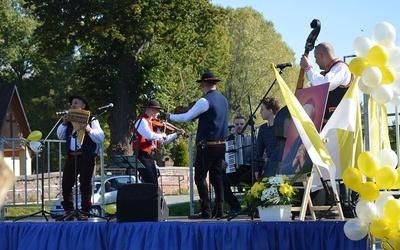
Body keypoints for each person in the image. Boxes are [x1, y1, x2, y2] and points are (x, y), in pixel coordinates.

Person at [165, 71, 228, 219]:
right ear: (216, 84)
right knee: (216, 178)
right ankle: (220, 210)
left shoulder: (204, 101)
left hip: (207, 145)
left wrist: (170, 116)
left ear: (203, 85)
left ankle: (206, 211)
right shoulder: (224, 100)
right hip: (221, 144)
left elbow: (186, 117)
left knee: (200, 177)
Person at [57, 95, 105, 221]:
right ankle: (69, 210)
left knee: (85, 184)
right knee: (66, 184)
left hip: (86, 156)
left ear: (83, 106)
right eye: (72, 103)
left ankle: (84, 211)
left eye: (76, 103)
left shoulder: (91, 118)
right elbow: (60, 136)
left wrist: (89, 130)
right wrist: (64, 123)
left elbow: (100, 137)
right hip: (72, 156)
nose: (72, 105)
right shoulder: (68, 122)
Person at [132, 99, 184, 186]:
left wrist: (176, 134)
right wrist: (161, 135)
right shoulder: (141, 121)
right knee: (150, 182)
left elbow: (163, 140)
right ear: (152, 109)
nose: (158, 113)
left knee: (154, 182)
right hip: (142, 155)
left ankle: (152, 198)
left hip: (150, 156)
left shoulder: (152, 124)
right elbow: (149, 136)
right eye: (157, 111)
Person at [300, 42, 353, 126]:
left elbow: (325, 84)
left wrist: (308, 67)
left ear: (320, 56)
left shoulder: (341, 68)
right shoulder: (332, 70)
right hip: (330, 124)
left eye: (315, 58)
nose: (315, 61)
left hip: (338, 126)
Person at [222, 115, 252, 216]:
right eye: (237, 124)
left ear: (246, 126)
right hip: (233, 170)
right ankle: (235, 207)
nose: (239, 126)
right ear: (233, 126)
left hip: (247, 170)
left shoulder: (251, 139)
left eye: (242, 124)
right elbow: (220, 154)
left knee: (253, 178)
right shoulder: (227, 140)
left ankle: (252, 208)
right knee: (221, 181)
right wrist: (222, 161)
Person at [255, 97, 281, 181]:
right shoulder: (262, 128)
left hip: (277, 163)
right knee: (244, 178)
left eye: (262, 109)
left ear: (270, 111)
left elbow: (279, 148)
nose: (260, 112)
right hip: (266, 164)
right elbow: (258, 150)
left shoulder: (280, 126)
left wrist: (266, 167)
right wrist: (256, 169)